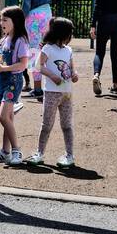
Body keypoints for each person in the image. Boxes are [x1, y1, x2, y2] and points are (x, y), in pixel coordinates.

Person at [27, 17, 79, 168]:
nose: (71, 36)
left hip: (67, 93)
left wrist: (75, 75)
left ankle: (69, 155)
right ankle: (39, 153)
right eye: (69, 33)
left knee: (67, 125)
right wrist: (52, 76)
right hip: (51, 92)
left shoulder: (68, 50)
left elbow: (72, 68)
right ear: (62, 33)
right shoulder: (47, 49)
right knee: (46, 125)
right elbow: (39, 66)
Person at [0, 6, 29, 166]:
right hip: (3, 81)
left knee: (2, 116)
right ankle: (5, 152)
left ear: (15, 21)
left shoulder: (20, 41)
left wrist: (4, 68)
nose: (1, 23)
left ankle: (16, 150)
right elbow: (2, 63)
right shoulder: (4, 40)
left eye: (5, 20)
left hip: (13, 82)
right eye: (1, 19)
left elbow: (23, 65)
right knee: (8, 118)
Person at [16, 0, 52, 99]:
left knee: (34, 51)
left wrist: (19, 19)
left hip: (34, 17)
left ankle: (37, 89)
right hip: (47, 14)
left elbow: (27, 2)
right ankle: (48, 86)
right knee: (45, 49)